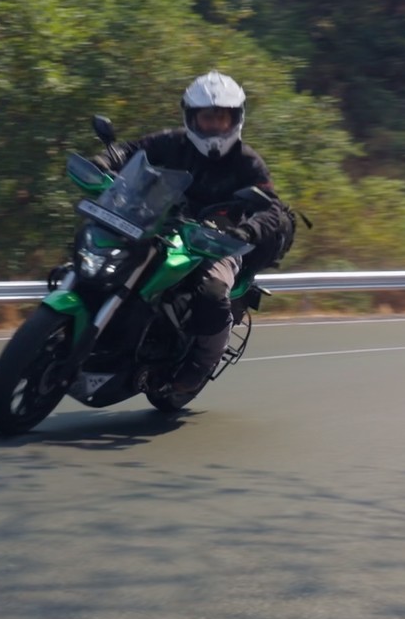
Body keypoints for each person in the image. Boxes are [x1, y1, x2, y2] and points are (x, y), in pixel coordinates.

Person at [95, 71, 298, 396]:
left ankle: (199, 366)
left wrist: (246, 231)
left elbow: (271, 207)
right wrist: (105, 160)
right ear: (191, 117)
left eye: (221, 118)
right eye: (207, 118)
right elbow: (131, 150)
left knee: (212, 293)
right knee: (106, 256)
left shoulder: (247, 161)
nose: (214, 126)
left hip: (218, 242)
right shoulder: (172, 142)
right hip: (160, 224)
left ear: (236, 119)